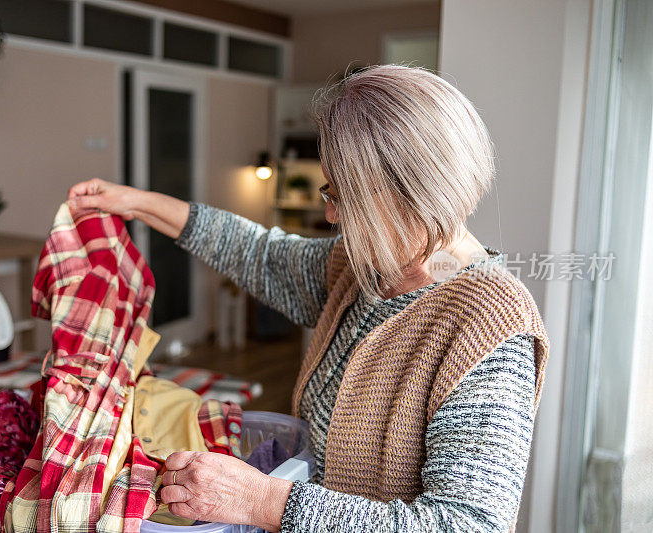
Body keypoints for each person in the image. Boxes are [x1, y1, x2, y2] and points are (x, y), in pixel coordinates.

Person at [67, 64, 549, 532]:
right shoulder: (364, 270)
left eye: (342, 196)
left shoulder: (490, 328)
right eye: (328, 191)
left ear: (407, 197)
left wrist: (262, 501)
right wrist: (135, 202)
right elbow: (258, 252)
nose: (332, 215)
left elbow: (467, 524)